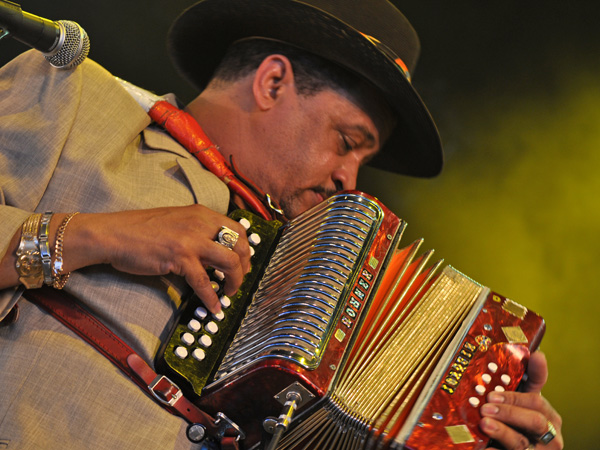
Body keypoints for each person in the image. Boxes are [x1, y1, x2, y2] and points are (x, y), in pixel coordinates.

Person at [0, 0, 563, 449]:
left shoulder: (317, 288)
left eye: (362, 162)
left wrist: (483, 436)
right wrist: (98, 236)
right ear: (272, 83)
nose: (351, 180)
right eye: (347, 142)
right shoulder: (75, 98)